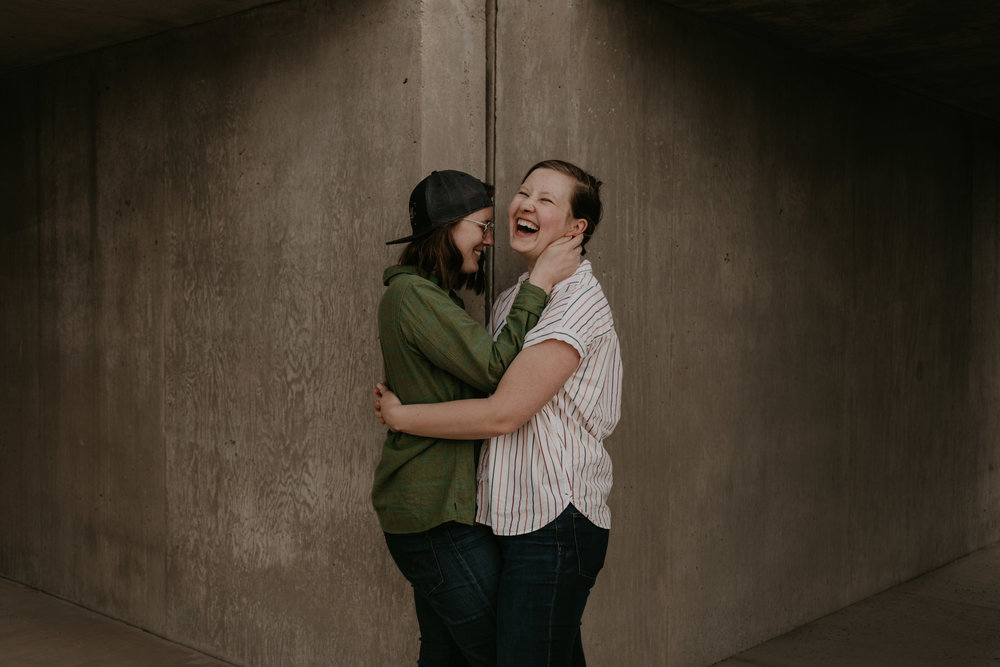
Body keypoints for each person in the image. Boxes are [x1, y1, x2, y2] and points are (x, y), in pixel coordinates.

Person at [376, 160, 622, 666]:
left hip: (556, 516)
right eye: (525, 192)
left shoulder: (575, 301)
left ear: (578, 229)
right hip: (510, 518)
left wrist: (404, 418)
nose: (527, 204)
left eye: (547, 199)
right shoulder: (512, 299)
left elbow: (503, 413)